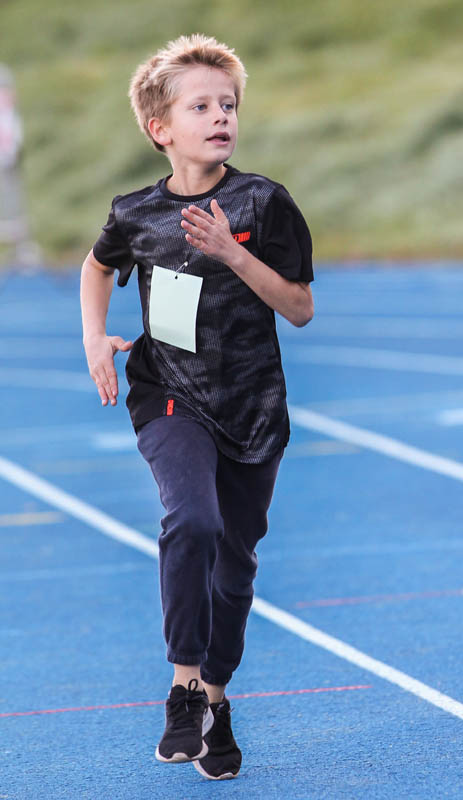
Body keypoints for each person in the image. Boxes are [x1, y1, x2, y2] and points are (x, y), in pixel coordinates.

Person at [80, 33, 314, 781]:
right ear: (161, 128)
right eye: (202, 106)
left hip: (252, 403)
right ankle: (184, 686)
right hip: (169, 392)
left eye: (229, 105)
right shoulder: (136, 213)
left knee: (236, 566)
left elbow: (300, 308)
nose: (221, 117)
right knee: (194, 520)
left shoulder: (263, 202)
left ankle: (215, 700)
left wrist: (233, 252)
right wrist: (94, 337)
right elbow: (97, 266)